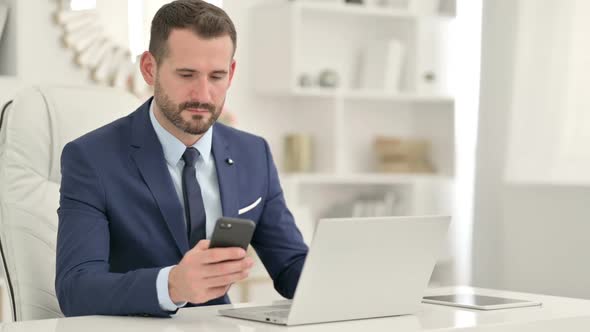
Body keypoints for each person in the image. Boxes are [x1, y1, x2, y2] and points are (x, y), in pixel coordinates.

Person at [55, 0, 308, 317]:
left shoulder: (253, 153)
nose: (203, 95)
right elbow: (75, 290)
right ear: (150, 68)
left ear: (231, 73)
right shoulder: (91, 159)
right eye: (187, 74)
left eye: (216, 76)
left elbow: (291, 266)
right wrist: (172, 285)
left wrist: (357, 281)